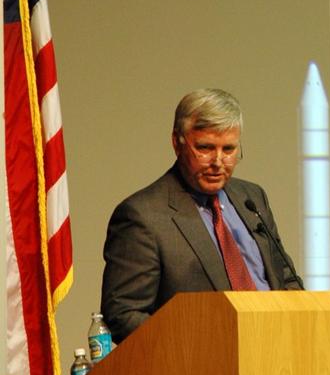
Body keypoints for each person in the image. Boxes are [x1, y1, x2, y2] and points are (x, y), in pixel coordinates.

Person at [101, 88, 302, 343]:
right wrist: (199, 346)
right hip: (203, 367)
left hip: (276, 354)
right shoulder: (143, 216)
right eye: (205, 148)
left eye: (229, 149)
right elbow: (124, 315)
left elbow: (285, 280)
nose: (218, 162)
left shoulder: (251, 198)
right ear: (177, 143)